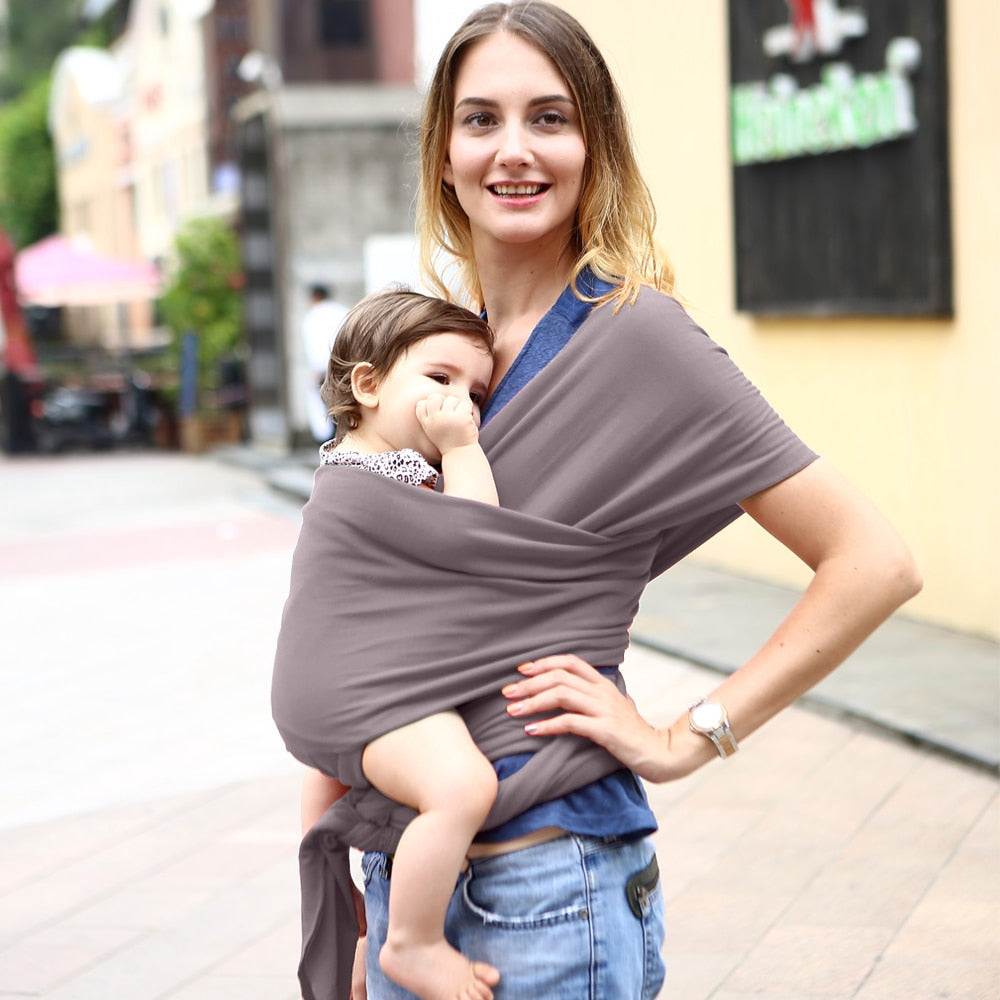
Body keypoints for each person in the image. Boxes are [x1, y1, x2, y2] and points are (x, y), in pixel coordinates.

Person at [273, 3, 922, 998]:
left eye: (550, 117)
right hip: (409, 878)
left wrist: (682, 736)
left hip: (548, 881)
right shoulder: (442, 360)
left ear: (595, 145)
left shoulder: (639, 338)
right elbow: (367, 619)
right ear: (442, 153)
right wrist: (364, 903)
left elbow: (873, 561)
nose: (514, 150)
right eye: (480, 119)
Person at [297, 288, 503, 1000]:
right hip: (358, 688)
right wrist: (465, 450)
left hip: (337, 685)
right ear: (369, 382)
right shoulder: (372, 480)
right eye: (440, 380)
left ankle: (360, 934)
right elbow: (481, 540)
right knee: (463, 786)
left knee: (353, 811)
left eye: (476, 393)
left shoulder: (356, 470)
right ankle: (409, 943)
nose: (462, 405)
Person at [302, 284, 350, 442]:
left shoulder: (313, 316)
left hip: (324, 370)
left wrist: (315, 371)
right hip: (346, 367)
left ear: (315, 296)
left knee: (328, 410)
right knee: (344, 407)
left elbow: (315, 348)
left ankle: (331, 443)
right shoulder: (341, 311)